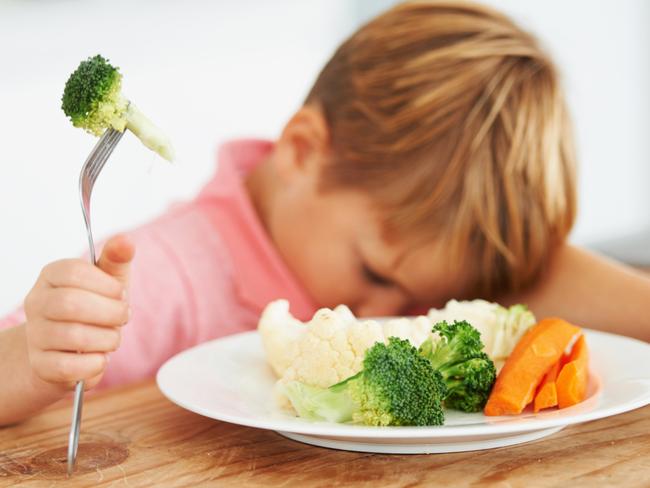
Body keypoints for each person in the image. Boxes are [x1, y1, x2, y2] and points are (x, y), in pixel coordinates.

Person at [1, 1, 648, 426]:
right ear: (305, 151)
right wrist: (35, 357)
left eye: (424, 294)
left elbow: (533, 280)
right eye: (373, 270)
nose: (380, 308)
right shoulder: (168, 276)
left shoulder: (404, 250)